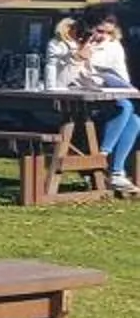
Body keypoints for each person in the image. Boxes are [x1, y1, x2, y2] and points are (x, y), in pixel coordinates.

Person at [66, 10, 139, 195]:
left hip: (105, 97)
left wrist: (110, 80)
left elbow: (123, 78)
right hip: (77, 102)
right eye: (100, 31)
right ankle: (103, 157)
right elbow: (64, 79)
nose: (103, 36)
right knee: (125, 107)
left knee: (135, 119)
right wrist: (79, 58)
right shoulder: (72, 43)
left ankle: (116, 172)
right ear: (89, 28)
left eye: (108, 32)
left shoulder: (113, 46)